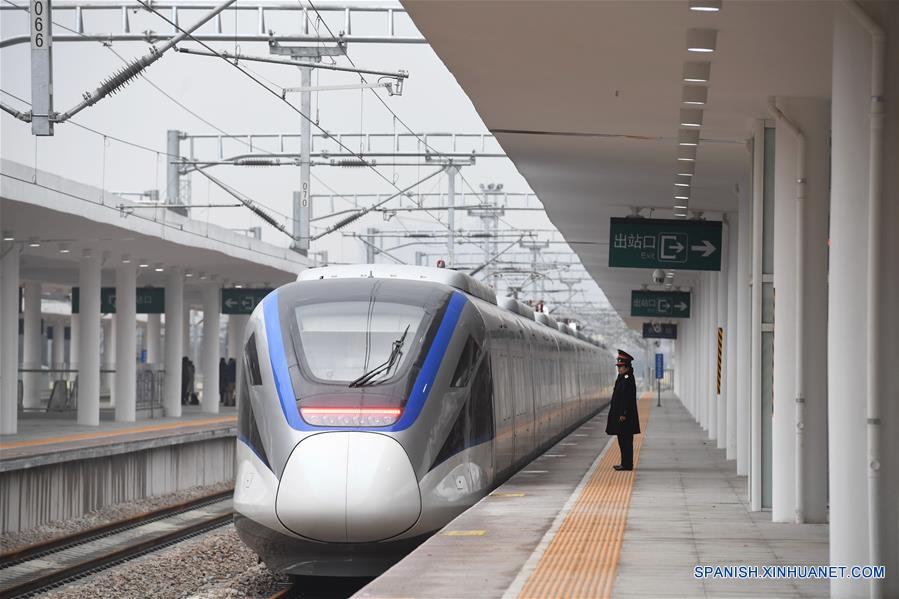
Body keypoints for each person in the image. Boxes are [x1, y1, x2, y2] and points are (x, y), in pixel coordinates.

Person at [606, 349, 640, 471]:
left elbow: (627, 398)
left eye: (621, 367)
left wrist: (623, 413)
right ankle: (624, 463)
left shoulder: (627, 379)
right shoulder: (623, 377)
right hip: (623, 416)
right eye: (618, 366)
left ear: (627, 367)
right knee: (623, 440)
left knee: (625, 441)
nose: (619, 369)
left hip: (625, 417)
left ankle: (627, 464)